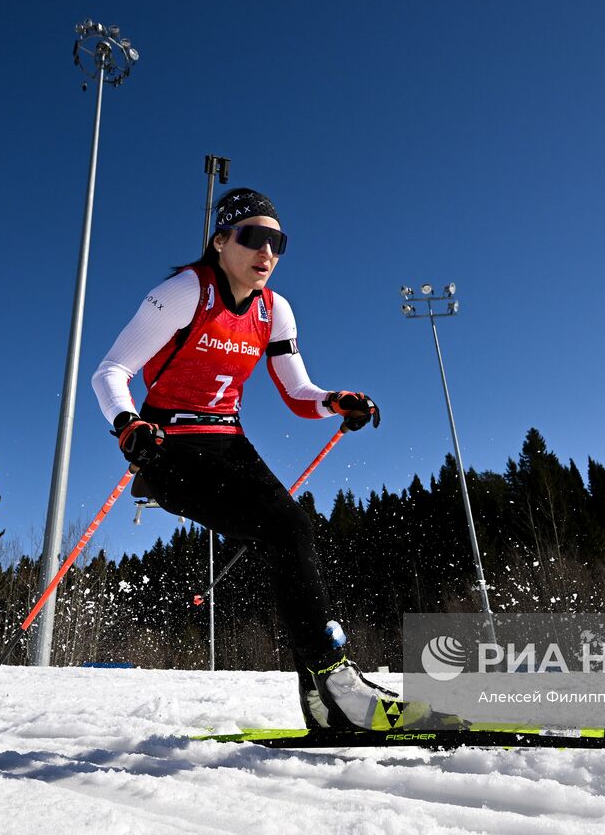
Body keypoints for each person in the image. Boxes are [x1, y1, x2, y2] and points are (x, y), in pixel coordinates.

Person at [91, 187, 438, 732]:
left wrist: (334, 402)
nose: (267, 253)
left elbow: (298, 392)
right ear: (221, 240)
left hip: (229, 442)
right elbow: (110, 372)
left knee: (292, 533)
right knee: (287, 529)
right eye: (254, 238)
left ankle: (324, 701)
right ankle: (339, 691)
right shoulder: (185, 293)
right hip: (168, 446)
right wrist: (127, 425)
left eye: (278, 242)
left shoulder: (274, 309)